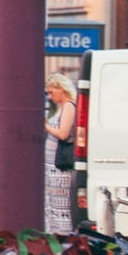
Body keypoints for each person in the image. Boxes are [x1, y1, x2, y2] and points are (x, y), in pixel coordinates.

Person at [44, 73, 77, 232]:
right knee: (51, 205)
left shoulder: (69, 106)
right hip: (52, 165)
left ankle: (63, 236)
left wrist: (45, 126)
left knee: (61, 205)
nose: (50, 97)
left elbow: (63, 133)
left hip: (60, 166)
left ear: (61, 89)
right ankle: (55, 235)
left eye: (51, 92)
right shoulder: (60, 108)